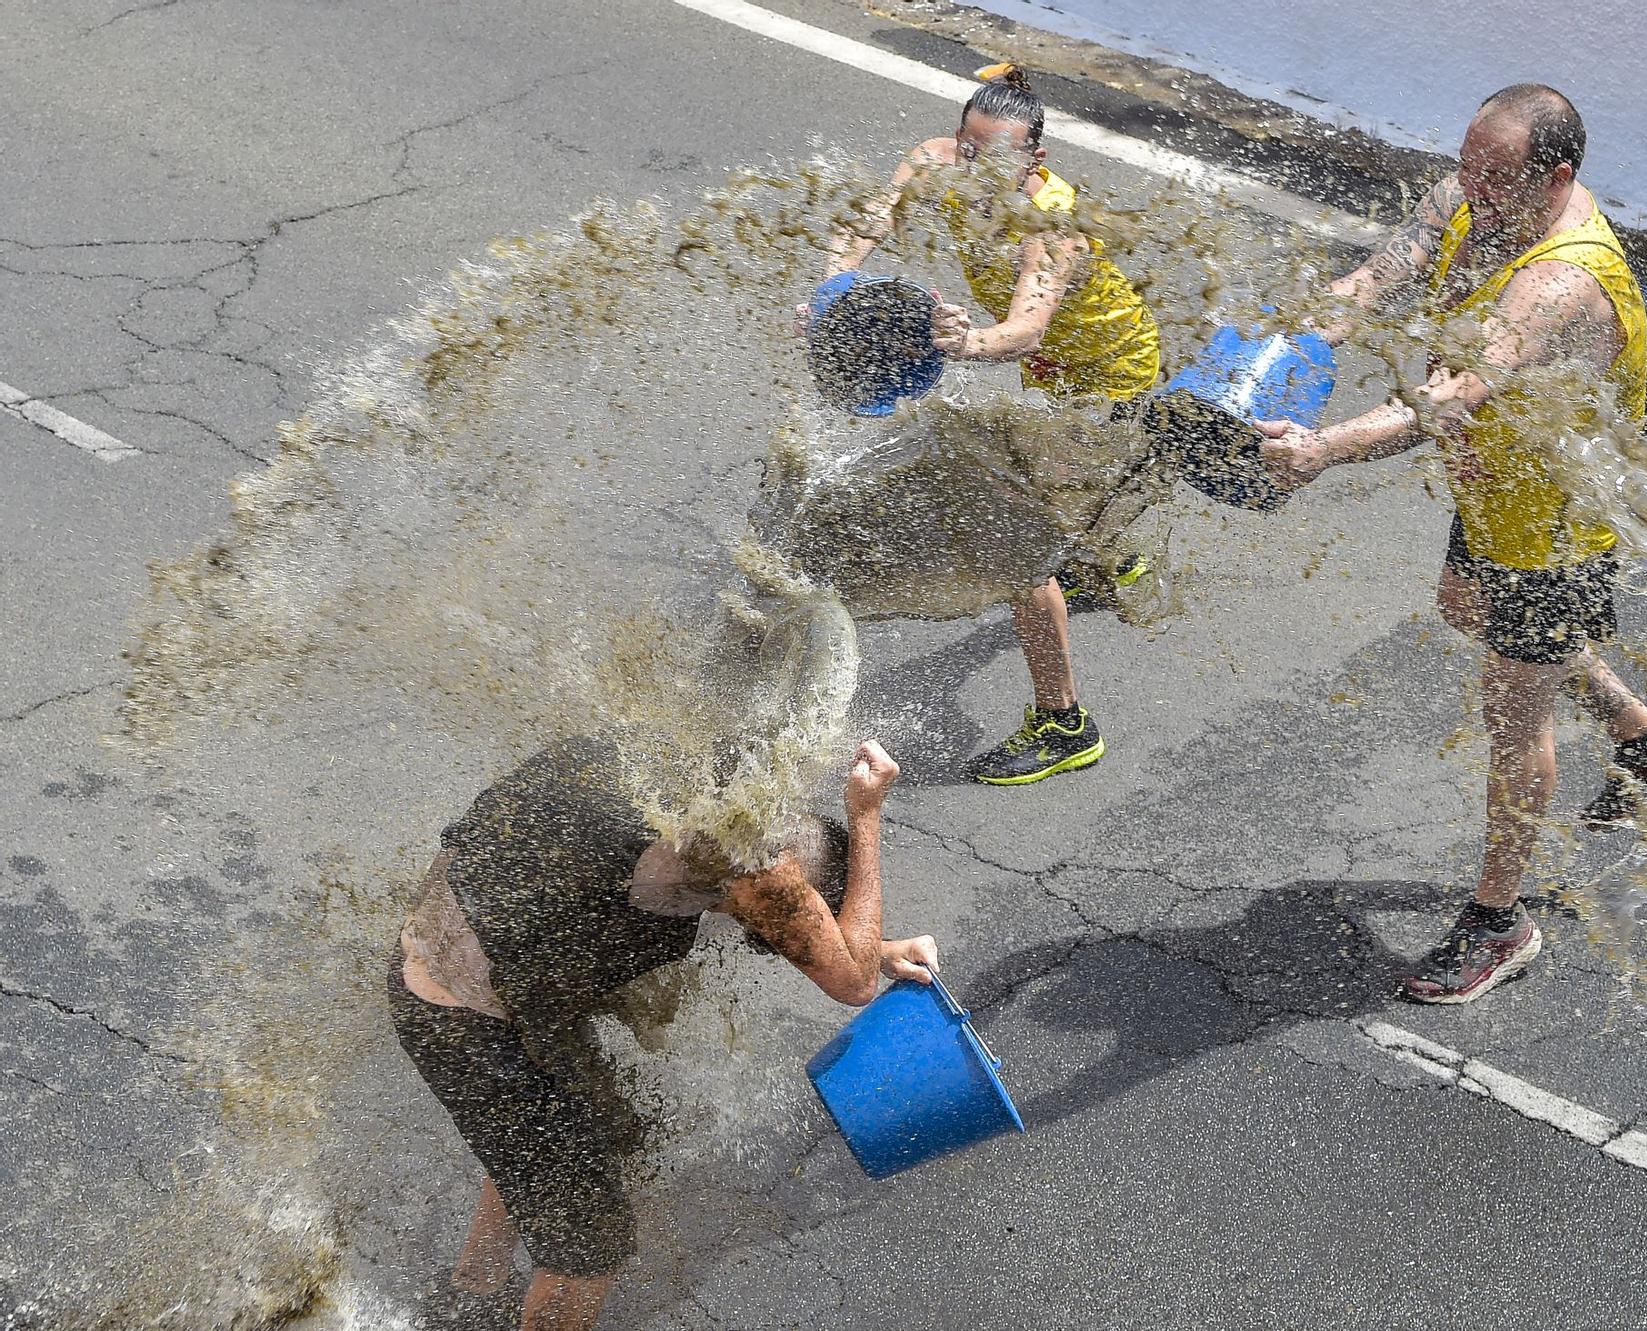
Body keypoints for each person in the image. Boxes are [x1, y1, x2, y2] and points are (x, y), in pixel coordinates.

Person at [1257, 85, 1647, 1004]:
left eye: (1491, 176)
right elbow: (1375, 281)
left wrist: (1321, 450)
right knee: (1465, 604)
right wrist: (1295, 333)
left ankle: (1501, 922)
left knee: (1516, 716)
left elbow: (1449, 397)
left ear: (1557, 178)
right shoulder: (1476, 187)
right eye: (1465, 164)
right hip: (1497, 486)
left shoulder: (1562, 281)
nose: (1470, 188)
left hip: (1552, 524)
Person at [390, 733, 938, 1331]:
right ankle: (484, 1297)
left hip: (456, 964)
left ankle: (472, 1291)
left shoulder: (685, 772)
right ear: (803, 895)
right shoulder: (754, 858)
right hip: (469, 1021)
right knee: (589, 1249)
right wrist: (865, 815)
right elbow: (849, 981)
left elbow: (780, 926)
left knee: (559, 1134)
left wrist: (873, 947)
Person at [825, 62, 1162, 786]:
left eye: (999, 160)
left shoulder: (1054, 223)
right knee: (1050, 498)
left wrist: (963, 342)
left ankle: (1065, 723)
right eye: (970, 151)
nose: (978, 171)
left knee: (1018, 554)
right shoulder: (934, 160)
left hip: (1109, 379)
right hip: (1055, 376)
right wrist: (832, 287)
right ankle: (1109, 552)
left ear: (1035, 161)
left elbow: (1027, 327)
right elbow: (871, 218)